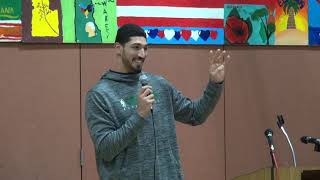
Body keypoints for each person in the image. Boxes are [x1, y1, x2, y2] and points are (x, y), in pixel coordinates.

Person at [85, 23, 230, 180]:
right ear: (118, 48)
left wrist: (215, 84)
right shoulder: (99, 95)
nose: (142, 54)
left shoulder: (159, 85)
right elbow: (106, 150)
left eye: (145, 48)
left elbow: (196, 114)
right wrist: (139, 115)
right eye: (136, 47)